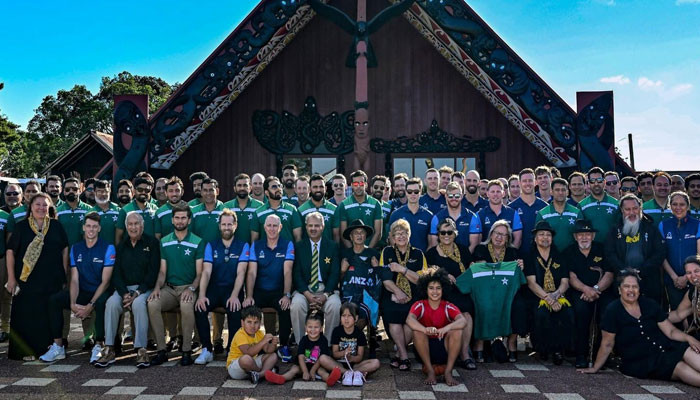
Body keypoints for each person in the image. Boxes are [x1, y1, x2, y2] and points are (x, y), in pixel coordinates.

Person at [580, 269, 700, 387]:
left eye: (635, 287)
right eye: (627, 286)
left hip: (667, 347)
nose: (631, 290)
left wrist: (689, 338)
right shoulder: (612, 310)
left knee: (688, 351)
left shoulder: (649, 304)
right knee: (680, 367)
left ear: (639, 289)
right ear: (619, 289)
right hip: (643, 361)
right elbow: (607, 344)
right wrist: (596, 367)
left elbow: (671, 331)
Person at [40, 212, 114, 363]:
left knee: (101, 303)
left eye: (94, 226)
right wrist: (73, 303)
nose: (91, 229)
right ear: (83, 228)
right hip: (83, 291)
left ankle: (99, 345)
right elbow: (74, 279)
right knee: (55, 300)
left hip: (101, 292)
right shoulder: (75, 248)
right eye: (88, 226)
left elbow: (105, 282)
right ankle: (58, 346)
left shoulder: (108, 247)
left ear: (99, 228)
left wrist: (90, 305)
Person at [6, 193, 69, 360]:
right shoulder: (21, 227)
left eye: (44, 205)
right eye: (37, 204)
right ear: (31, 207)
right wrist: (11, 278)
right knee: (27, 314)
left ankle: (48, 349)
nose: (41, 208)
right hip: (27, 280)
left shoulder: (56, 226)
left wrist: (64, 274)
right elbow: (10, 252)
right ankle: (26, 351)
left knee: (48, 314)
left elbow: (64, 250)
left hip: (52, 279)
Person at [97, 211, 159, 368]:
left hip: (144, 289)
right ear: (126, 227)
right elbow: (116, 274)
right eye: (130, 224)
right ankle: (109, 348)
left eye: (136, 224)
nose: (133, 227)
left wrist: (137, 292)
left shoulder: (152, 243)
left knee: (138, 304)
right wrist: (124, 293)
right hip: (124, 290)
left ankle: (141, 349)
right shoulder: (121, 246)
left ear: (142, 226)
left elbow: (153, 272)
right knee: (111, 303)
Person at [147, 201, 205, 366]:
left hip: (189, 287)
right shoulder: (164, 241)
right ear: (172, 220)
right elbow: (162, 271)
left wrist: (192, 288)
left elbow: (200, 273)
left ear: (189, 220)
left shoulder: (197, 241)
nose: (180, 221)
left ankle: (186, 351)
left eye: (183, 218)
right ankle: (161, 350)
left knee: (186, 305)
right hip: (169, 288)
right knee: (152, 303)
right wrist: (157, 288)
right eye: (177, 218)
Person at [194, 208, 249, 364]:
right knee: (199, 307)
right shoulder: (211, 245)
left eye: (229, 224)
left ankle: (231, 348)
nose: (226, 227)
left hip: (232, 289)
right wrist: (202, 295)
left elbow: (241, 273)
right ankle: (206, 349)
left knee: (234, 307)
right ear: (219, 226)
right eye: (223, 224)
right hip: (214, 289)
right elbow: (206, 272)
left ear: (235, 225)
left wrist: (234, 295)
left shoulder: (243, 245)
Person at [470, 220, 526, 363]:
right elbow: (473, 272)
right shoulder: (480, 250)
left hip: (506, 293)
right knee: (482, 304)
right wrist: (475, 265)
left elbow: (519, 277)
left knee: (519, 305)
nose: (500, 237)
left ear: (508, 238)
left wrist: (520, 266)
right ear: (491, 234)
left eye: (504, 235)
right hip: (485, 293)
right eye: (497, 233)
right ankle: (480, 342)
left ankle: (511, 341)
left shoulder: (513, 252)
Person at [425, 218, 476, 370]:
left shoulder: (463, 250)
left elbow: (470, 269)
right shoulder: (432, 253)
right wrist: (443, 275)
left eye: (450, 232)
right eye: (442, 232)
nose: (446, 235)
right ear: (438, 234)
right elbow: (428, 276)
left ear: (455, 234)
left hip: (461, 292)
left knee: (466, 313)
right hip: (441, 294)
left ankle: (464, 353)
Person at [243, 214, 295, 362]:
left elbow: (287, 271)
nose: (272, 229)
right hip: (259, 291)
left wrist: (286, 294)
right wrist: (249, 296)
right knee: (248, 310)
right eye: (269, 226)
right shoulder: (256, 245)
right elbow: (251, 272)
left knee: (285, 308)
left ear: (280, 227)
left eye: (275, 226)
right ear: (264, 227)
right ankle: (251, 345)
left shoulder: (287, 244)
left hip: (278, 291)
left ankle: (284, 345)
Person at [565, 219, 615, 368]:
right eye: (581, 235)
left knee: (607, 312)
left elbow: (609, 274)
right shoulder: (569, 251)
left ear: (593, 236)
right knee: (581, 312)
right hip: (579, 292)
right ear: (575, 237)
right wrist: (586, 290)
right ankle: (581, 355)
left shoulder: (602, 249)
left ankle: (600, 355)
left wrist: (596, 289)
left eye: (587, 234)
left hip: (602, 292)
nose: (584, 237)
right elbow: (571, 277)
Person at [380, 219, 427, 371]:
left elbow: (420, 279)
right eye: (397, 234)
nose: (400, 236)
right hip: (392, 293)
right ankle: (405, 356)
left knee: (411, 318)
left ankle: (399, 353)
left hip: (414, 295)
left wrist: (402, 269)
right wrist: (398, 292)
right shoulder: (387, 252)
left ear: (409, 235)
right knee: (393, 314)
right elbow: (385, 278)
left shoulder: (418, 254)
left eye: (404, 233)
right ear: (392, 237)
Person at [406, 267, 466, 386]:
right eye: (431, 288)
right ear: (425, 289)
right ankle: (430, 371)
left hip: (444, 347)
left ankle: (448, 371)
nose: (435, 292)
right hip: (425, 348)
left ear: (443, 289)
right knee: (417, 332)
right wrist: (425, 329)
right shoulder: (420, 305)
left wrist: (446, 328)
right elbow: (409, 319)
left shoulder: (448, 306)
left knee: (457, 331)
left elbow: (463, 321)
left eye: (438, 288)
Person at [525, 220, 574, 365]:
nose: (545, 237)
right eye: (541, 234)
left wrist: (556, 295)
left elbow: (565, 282)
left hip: (558, 294)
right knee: (541, 314)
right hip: (538, 296)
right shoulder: (530, 257)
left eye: (548, 235)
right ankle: (543, 349)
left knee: (568, 313)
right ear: (535, 238)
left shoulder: (559, 255)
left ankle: (559, 350)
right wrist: (548, 299)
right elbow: (531, 283)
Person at [291, 211, 342, 345]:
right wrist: (307, 294)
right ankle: (301, 344)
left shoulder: (332, 246)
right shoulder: (299, 246)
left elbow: (335, 273)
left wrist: (325, 295)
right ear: (306, 227)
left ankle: (328, 345)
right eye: (310, 225)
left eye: (317, 226)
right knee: (296, 305)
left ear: (323, 227)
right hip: (305, 290)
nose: (313, 229)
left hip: (326, 289)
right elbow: (296, 274)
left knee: (335, 305)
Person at [606, 194, 666, 305]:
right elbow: (610, 254)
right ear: (622, 210)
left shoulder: (651, 228)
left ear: (640, 208)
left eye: (635, 208)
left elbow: (659, 253)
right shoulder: (614, 230)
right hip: (623, 279)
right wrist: (625, 271)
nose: (632, 212)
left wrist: (643, 270)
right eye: (627, 209)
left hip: (648, 279)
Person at [339, 220, 383, 356]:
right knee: (348, 312)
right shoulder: (344, 254)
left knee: (365, 312)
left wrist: (376, 268)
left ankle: (364, 340)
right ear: (350, 237)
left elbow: (381, 278)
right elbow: (337, 279)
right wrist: (342, 271)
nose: (359, 235)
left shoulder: (374, 254)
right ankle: (350, 343)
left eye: (362, 233)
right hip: (348, 294)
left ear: (366, 236)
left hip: (368, 294)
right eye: (355, 233)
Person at [227, 306, 298, 384]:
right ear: (242, 323)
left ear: (260, 323)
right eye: (249, 322)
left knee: (273, 355)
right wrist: (263, 341)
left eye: (256, 322)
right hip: (236, 368)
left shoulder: (259, 333)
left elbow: (268, 350)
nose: (252, 326)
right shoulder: (240, 334)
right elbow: (249, 352)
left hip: (252, 365)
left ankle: (259, 375)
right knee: (246, 358)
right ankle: (263, 372)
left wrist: (274, 344)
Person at [660, 191, 700, 309]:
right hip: (672, 280)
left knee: (694, 311)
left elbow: (699, 254)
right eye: (674, 204)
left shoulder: (697, 224)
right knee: (676, 310)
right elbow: (662, 254)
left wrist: (686, 278)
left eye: (682, 204)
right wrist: (675, 278)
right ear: (670, 206)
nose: (678, 208)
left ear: (688, 206)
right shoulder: (663, 225)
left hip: (694, 278)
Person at [331, 303, 381, 386]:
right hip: (339, 364)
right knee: (323, 359)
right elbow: (335, 354)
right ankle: (349, 373)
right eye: (343, 315)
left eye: (350, 316)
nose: (346, 319)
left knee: (376, 363)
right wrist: (344, 353)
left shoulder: (360, 334)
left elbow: (360, 357)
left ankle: (350, 373)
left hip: (355, 365)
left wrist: (351, 358)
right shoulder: (336, 331)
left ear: (356, 318)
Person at [292, 311, 344, 386]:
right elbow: (300, 356)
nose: (313, 330)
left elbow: (321, 359)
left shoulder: (323, 340)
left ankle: (330, 379)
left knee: (322, 372)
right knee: (294, 369)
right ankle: (282, 378)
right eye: (310, 327)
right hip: (304, 366)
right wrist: (305, 372)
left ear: (321, 329)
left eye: (316, 327)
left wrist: (313, 370)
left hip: (317, 366)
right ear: (306, 328)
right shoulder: (303, 339)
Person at [471, 180, 523, 252]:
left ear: (503, 193)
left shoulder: (513, 213)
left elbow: (517, 240)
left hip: (507, 259)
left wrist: (510, 255)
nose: (495, 194)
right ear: (487, 194)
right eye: (492, 192)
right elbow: (477, 242)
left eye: (498, 192)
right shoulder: (479, 215)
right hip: (486, 259)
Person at [535, 178, 583, 252]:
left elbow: (581, 236)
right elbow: (538, 239)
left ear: (567, 192)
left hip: (573, 256)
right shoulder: (542, 213)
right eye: (557, 190)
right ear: (551, 192)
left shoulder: (576, 213)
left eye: (563, 190)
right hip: (551, 256)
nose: (560, 192)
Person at [338, 170, 383, 248]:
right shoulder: (344, 205)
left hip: (371, 252)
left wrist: (367, 251)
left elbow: (378, 233)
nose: (358, 186)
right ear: (351, 185)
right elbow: (343, 233)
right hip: (351, 254)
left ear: (366, 185)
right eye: (355, 184)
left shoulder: (375, 204)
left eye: (361, 183)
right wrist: (353, 253)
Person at [250, 176, 302, 243]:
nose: (279, 189)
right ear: (267, 193)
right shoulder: (258, 213)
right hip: (265, 253)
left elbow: (298, 238)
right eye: (274, 187)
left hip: (287, 252)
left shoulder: (292, 210)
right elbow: (254, 241)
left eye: (280, 186)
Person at [509, 168, 548, 258]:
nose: (527, 184)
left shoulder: (544, 207)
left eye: (530, 180)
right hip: (519, 257)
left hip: (540, 257)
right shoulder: (511, 208)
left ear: (535, 182)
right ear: (519, 183)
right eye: (524, 181)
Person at [429, 182, 480, 250]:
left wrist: (463, 259)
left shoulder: (472, 217)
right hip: (443, 259)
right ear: (446, 196)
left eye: (457, 196)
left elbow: (474, 244)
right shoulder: (437, 218)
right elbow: (434, 245)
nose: (454, 198)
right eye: (450, 196)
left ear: (461, 196)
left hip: (466, 259)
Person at [389, 178, 433, 252]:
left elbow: (431, 243)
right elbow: (391, 239)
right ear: (406, 192)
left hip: (422, 260)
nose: (413, 194)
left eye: (416, 192)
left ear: (420, 192)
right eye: (409, 191)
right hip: (400, 260)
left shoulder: (428, 216)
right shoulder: (396, 214)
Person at [579, 167, 620, 244]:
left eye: (599, 180)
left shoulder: (616, 204)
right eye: (592, 181)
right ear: (588, 184)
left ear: (604, 182)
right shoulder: (582, 205)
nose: (596, 184)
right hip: (592, 249)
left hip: (612, 248)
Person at [224, 173, 264, 244]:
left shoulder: (259, 206)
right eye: (239, 185)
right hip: (232, 251)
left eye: (245, 185)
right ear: (234, 188)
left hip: (253, 250)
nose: (242, 188)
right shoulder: (227, 206)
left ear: (250, 188)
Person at [297, 174, 338, 242]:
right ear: (310, 189)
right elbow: (299, 236)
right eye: (315, 187)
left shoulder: (334, 209)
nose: (318, 190)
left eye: (321, 187)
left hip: (328, 251)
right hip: (308, 251)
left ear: (325, 188)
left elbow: (336, 236)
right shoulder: (301, 210)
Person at [116, 176, 157, 244]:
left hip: (151, 251)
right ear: (134, 191)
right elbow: (118, 236)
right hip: (131, 251)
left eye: (147, 190)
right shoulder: (125, 210)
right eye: (140, 190)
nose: (143, 192)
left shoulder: (155, 209)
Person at [668, 256, 700, 336]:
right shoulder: (693, 291)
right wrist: (654, 316)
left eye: (697, 271)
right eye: (689, 273)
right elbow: (678, 314)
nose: (693, 276)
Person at [56, 177, 92, 245]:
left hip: (83, 252)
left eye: (74, 189)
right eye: (67, 189)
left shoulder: (89, 210)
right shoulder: (57, 211)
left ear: (80, 190)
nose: (71, 191)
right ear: (63, 192)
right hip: (63, 253)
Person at [191, 178, 225, 245]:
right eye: (205, 190)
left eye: (211, 190)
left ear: (217, 191)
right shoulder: (193, 212)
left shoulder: (225, 211)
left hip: (220, 252)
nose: (208, 193)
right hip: (200, 253)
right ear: (201, 192)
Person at [90, 180, 120, 245]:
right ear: (94, 192)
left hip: (116, 252)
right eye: (99, 191)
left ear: (110, 191)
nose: (102, 194)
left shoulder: (119, 211)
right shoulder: (90, 214)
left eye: (105, 191)